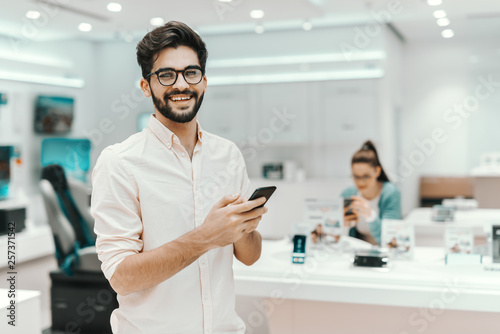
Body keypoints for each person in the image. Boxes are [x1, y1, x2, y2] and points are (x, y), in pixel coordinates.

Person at [91, 21, 268, 334]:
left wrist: (244, 226)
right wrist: (207, 236)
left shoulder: (227, 155)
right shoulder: (119, 162)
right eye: (166, 75)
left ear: (204, 80)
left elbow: (249, 256)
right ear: (146, 86)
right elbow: (122, 276)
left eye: (191, 72)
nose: (181, 84)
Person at [341, 140, 401, 246]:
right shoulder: (348, 194)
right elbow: (338, 238)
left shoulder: (390, 193)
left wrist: (370, 216)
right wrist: (342, 225)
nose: (361, 182)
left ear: (377, 171)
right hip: (357, 251)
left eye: (366, 176)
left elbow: (390, 239)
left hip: (383, 252)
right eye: (356, 176)